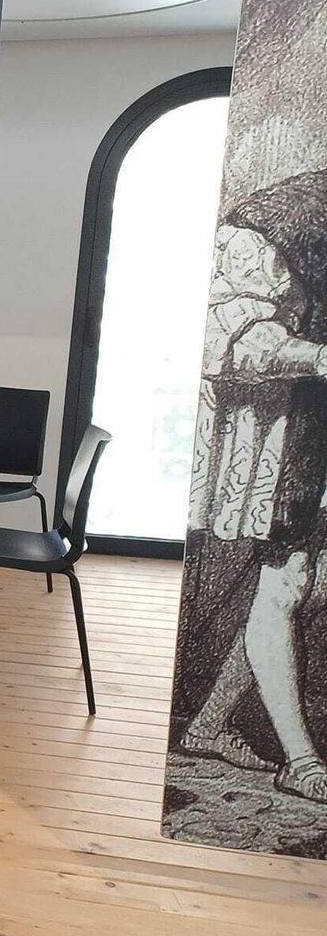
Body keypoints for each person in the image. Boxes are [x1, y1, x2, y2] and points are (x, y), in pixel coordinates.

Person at [175, 171, 327, 803]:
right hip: (282, 427)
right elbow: (229, 338)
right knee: (289, 585)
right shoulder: (282, 215)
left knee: (305, 590)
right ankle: (302, 760)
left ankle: (210, 722)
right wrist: (318, 358)